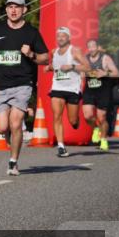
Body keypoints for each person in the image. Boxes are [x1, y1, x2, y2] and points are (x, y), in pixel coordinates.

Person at [0, 0, 49, 176]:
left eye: (17, 7)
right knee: (2, 127)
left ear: (24, 9)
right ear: (6, 10)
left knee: (16, 123)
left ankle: (13, 162)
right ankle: (14, 141)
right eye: (10, 7)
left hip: (22, 85)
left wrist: (31, 54)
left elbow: (45, 58)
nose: (13, 10)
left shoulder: (31, 32)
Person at [45, 26, 89, 157]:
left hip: (72, 89)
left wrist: (72, 66)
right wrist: (49, 68)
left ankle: (76, 121)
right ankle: (61, 146)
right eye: (58, 36)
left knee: (73, 120)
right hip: (57, 87)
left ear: (68, 38)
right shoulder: (54, 52)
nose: (60, 38)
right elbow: (56, 66)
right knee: (57, 116)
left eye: (63, 35)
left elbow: (87, 67)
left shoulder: (74, 51)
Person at [82, 39, 119, 152]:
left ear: (98, 47)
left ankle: (103, 139)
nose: (91, 49)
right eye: (89, 47)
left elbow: (117, 73)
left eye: (93, 46)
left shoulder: (105, 58)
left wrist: (105, 73)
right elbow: (81, 74)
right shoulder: (85, 59)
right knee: (88, 116)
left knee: (102, 117)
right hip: (89, 90)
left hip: (103, 91)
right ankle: (95, 129)